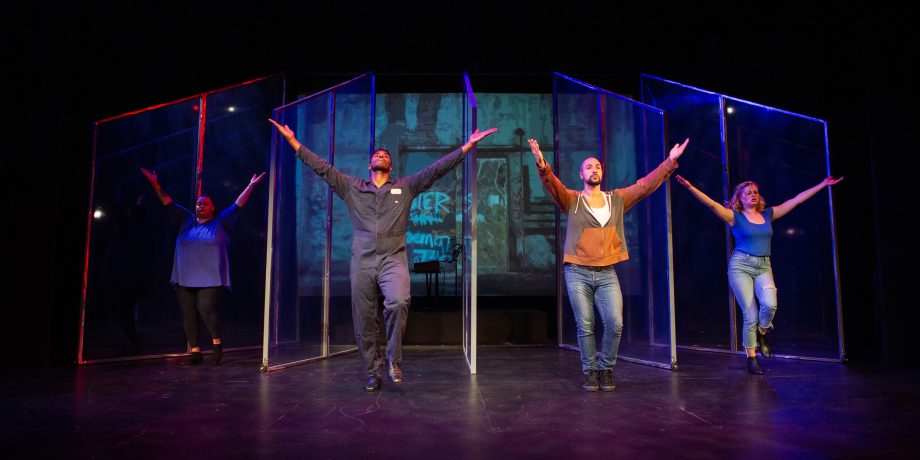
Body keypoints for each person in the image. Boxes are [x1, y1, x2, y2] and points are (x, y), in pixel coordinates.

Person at [269, 118, 497, 391]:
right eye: (377, 154)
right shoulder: (353, 187)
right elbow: (322, 169)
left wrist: (468, 146)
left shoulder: (406, 186)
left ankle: (393, 360)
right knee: (364, 318)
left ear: (390, 166)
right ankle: (372, 371)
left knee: (399, 301)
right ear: (369, 165)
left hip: (393, 258)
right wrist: (293, 141)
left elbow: (436, 170)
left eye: (385, 155)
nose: (381, 156)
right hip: (362, 260)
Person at [529, 138, 689, 392]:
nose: (594, 170)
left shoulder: (616, 199)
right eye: (589, 167)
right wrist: (541, 161)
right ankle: (590, 370)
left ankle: (606, 368)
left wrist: (670, 161)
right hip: (577, 271)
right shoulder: (573, 200)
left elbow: (645, 186)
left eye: (598, 167)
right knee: (586, 324)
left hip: (606, 272)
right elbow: (552, 184)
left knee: (615, 323)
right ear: (581, 174)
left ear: (602, 173)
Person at [674, 174, 843, 374]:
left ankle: (763, 332)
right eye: (748, 193)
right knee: (750, 313)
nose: (753, 195)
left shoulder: (768, 214)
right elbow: (711, 204)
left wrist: (822, 184)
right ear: (740, 198)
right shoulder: (733, 217)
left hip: (764, 266)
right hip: (740, 267)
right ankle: (751, 357)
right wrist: (690, 185)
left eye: (755, 192)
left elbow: (796, 200)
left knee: (770, 304)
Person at [141, 168, 266, 365]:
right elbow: (167, 201)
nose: (200, 206)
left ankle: (216, 343)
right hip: (184, 275)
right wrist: (155, 183)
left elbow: (238, 205)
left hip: (211, 277)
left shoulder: (221, 222)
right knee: (188, 314)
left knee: (206, 307)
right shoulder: (186, 220)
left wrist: (250, 186)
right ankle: (195, 352)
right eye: (198, 203)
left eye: (205, 204)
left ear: (212, 208)